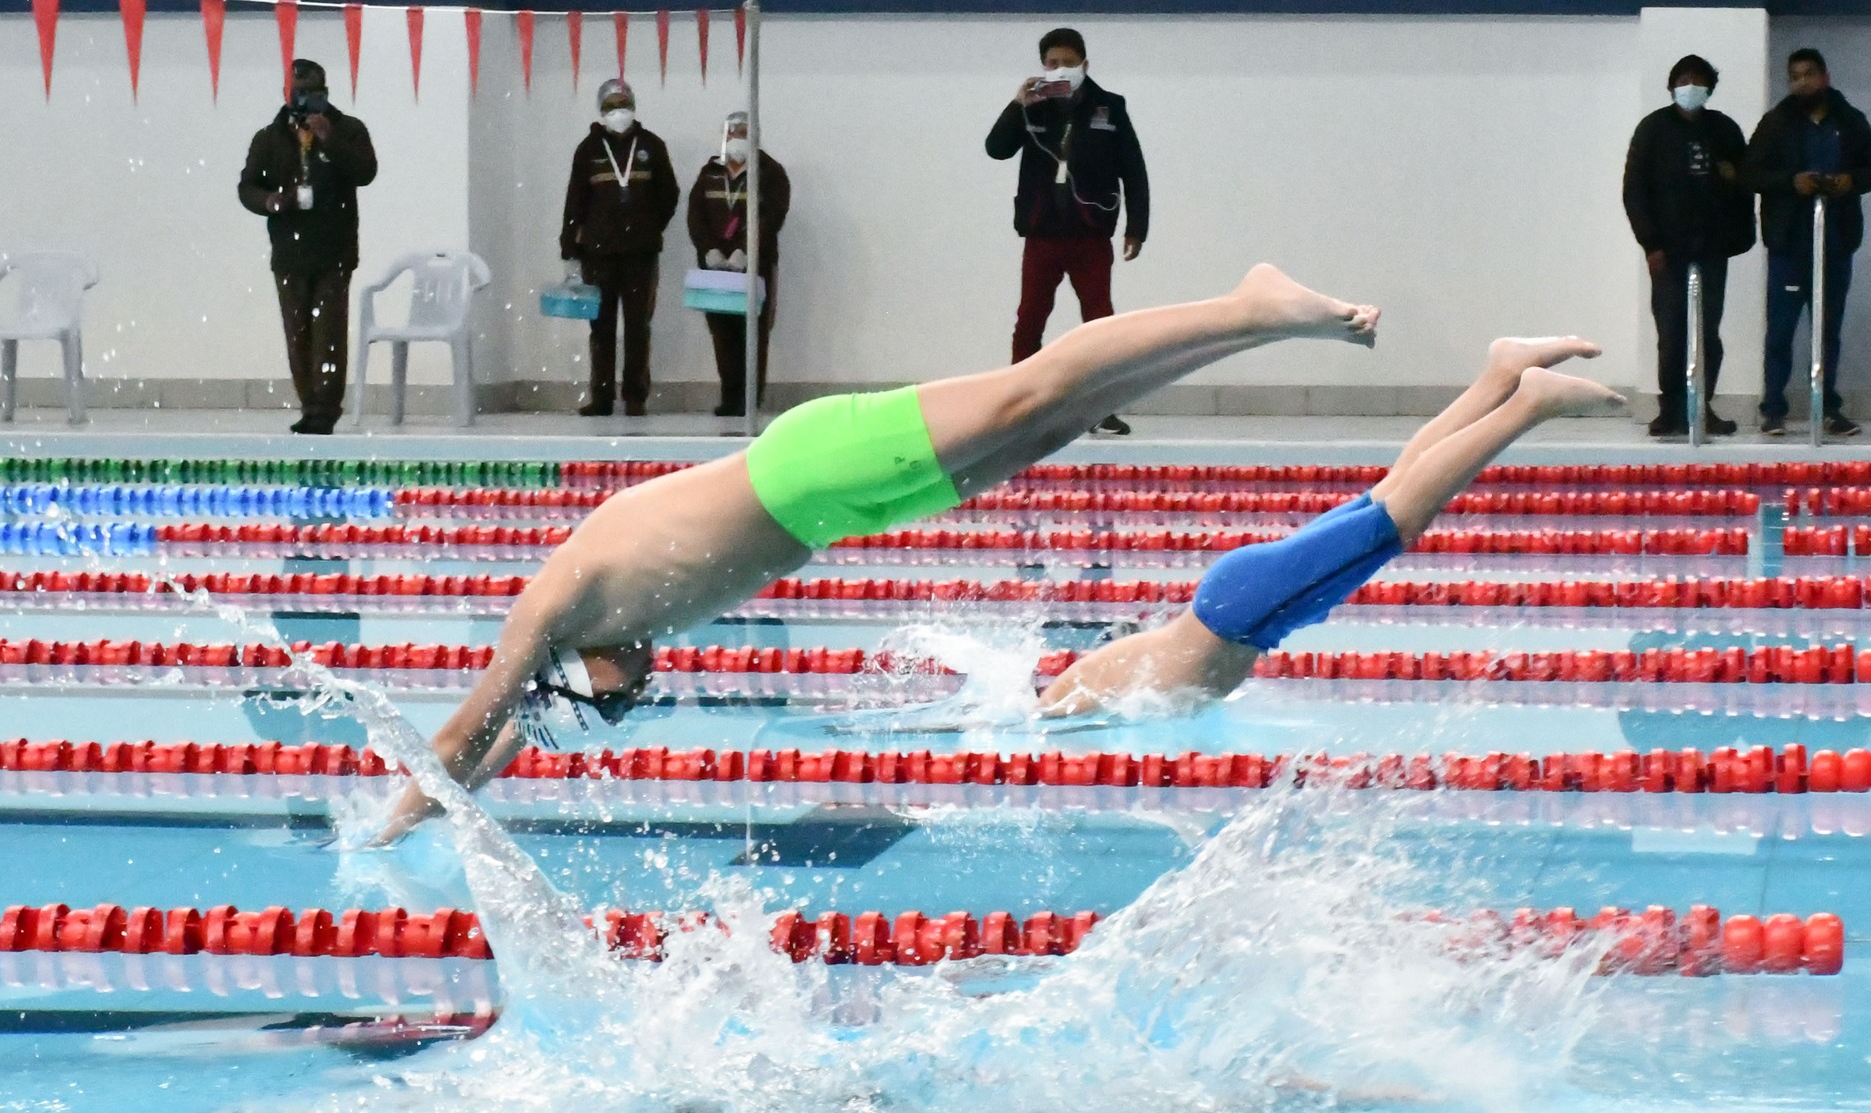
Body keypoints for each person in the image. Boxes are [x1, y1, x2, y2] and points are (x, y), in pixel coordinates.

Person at [375, 264, 1382, 840]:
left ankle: (1248, 303)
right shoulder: (599, 639)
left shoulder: (553, 614)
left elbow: (464, 737)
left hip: (813, 465)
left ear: (573, 674)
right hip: (842, 503)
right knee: (1056, 424)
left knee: (1030, 391)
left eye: (615, 697)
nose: (636, 695)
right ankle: (1252, 333)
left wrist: (380, 833)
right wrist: (468, 792)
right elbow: (504, 749)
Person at [1037, 338, 1622, 715]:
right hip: (1241, 604)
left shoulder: (1063, 708)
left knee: (1399, 519)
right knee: (1390, 495)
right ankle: (1501, 373)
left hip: (1241, 612)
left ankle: (1530, 402)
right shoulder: (1080, 685)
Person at [986, 27, 1150, 437]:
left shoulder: (1110, 107)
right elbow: (996, 148)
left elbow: (1134, 170)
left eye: (1068, 62)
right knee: (1029, 318)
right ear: (1043, 66)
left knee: (1100, 323)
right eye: (1052, 62)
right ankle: (1020, 408)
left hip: (1091, 233)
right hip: (1042, 232)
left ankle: (1101, 408)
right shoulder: (1034, 107)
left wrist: (1137, 228)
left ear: (1085, 64)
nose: (1060, 69)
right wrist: (1017, 104)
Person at [238, 60, 378, 435]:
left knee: (328, 332)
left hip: (333, 250)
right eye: (300, 92)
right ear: (288, 94)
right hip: (289, 251)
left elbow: (366, 172)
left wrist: (329, 138)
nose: (306, 100)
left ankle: (326, 408)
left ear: (326, 92)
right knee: (297, 333)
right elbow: (247, 187)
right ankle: (309, 403)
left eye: (314, 92)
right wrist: (270, 201)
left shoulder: (348, 129)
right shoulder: (269, 138)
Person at [1621, 54, 1754, 439]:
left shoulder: (1725, 129)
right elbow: (1635, 190)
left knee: (1708, 332)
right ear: (1671, 85)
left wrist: (1736, 235)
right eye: (1683, 79)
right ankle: (1671, 409)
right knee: (1672, 331)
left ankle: (1702, 405)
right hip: (1668, 249)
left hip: (1713, 247)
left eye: (1698, 80)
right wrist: (1651, 244)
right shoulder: (1653, 129)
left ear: (1710, 87)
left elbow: (1746, 185)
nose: (1690, 86)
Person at [1744, 48, 1871, 438]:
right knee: (1780, 331)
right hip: (1789, 245)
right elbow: (1750, 174)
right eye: (1795, 76)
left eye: (1808, 75)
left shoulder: (1850, 121)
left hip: (1835, 244)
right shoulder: (1776, 124)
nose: (1802, 83)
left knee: (1827, 329)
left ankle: (1829, 408)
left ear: (1824, 76)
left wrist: (1852, 181)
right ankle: (1773, 410)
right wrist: (1790, 182)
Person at [561, 78, 680, 417]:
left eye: (623, 104)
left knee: (638, 325)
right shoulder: (588, 149)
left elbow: (669, 195)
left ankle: (635, 396)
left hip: (641, 253)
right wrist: (569, 245)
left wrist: (650, 226)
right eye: (611, 106)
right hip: (598, 253)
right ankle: (601, 397)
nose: (618, 112)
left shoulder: (652, 146)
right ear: (601, 111)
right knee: (601, 327)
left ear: (633, 105)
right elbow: (575, 200)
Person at [687, 112, 791, 418]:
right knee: (722, 334)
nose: (737, 137)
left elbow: (773, 216)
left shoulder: (770, 172)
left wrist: (746, 251)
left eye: (744, 132)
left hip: (755, 267)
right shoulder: (710, 172)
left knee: (753, 334)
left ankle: (750, 398)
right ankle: (729, 396)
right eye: (732, 132)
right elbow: (696, 215)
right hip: (716, 269)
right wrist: (708, 249)